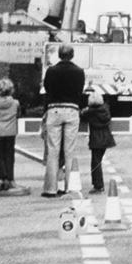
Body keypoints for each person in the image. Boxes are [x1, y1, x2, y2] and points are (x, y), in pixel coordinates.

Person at [41, 44, 85, 198]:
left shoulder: (51, 71)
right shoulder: (79, 72)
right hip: (72, 110)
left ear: (59, 55)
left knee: (53, 150)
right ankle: (69, 187)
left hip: (54, 110)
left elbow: (46, 88)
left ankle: (51, 189)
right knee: (69, 150)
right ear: (72, 55)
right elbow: (80, 91)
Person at [81, 92, 116, 194]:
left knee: (95, 163)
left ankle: (98, 186)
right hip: (106, 139)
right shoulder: (105, 110)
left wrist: (84, 111)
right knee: (98, 162)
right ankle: (98, 185)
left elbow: (82, 116)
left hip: (96, 140)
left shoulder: (90, 112)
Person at [0, 78, 20, 191]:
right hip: (11, 132)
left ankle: (2, 179)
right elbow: (18, 114)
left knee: (0, 156)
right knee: (10, 156)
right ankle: (11, 179)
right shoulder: (15, 103)